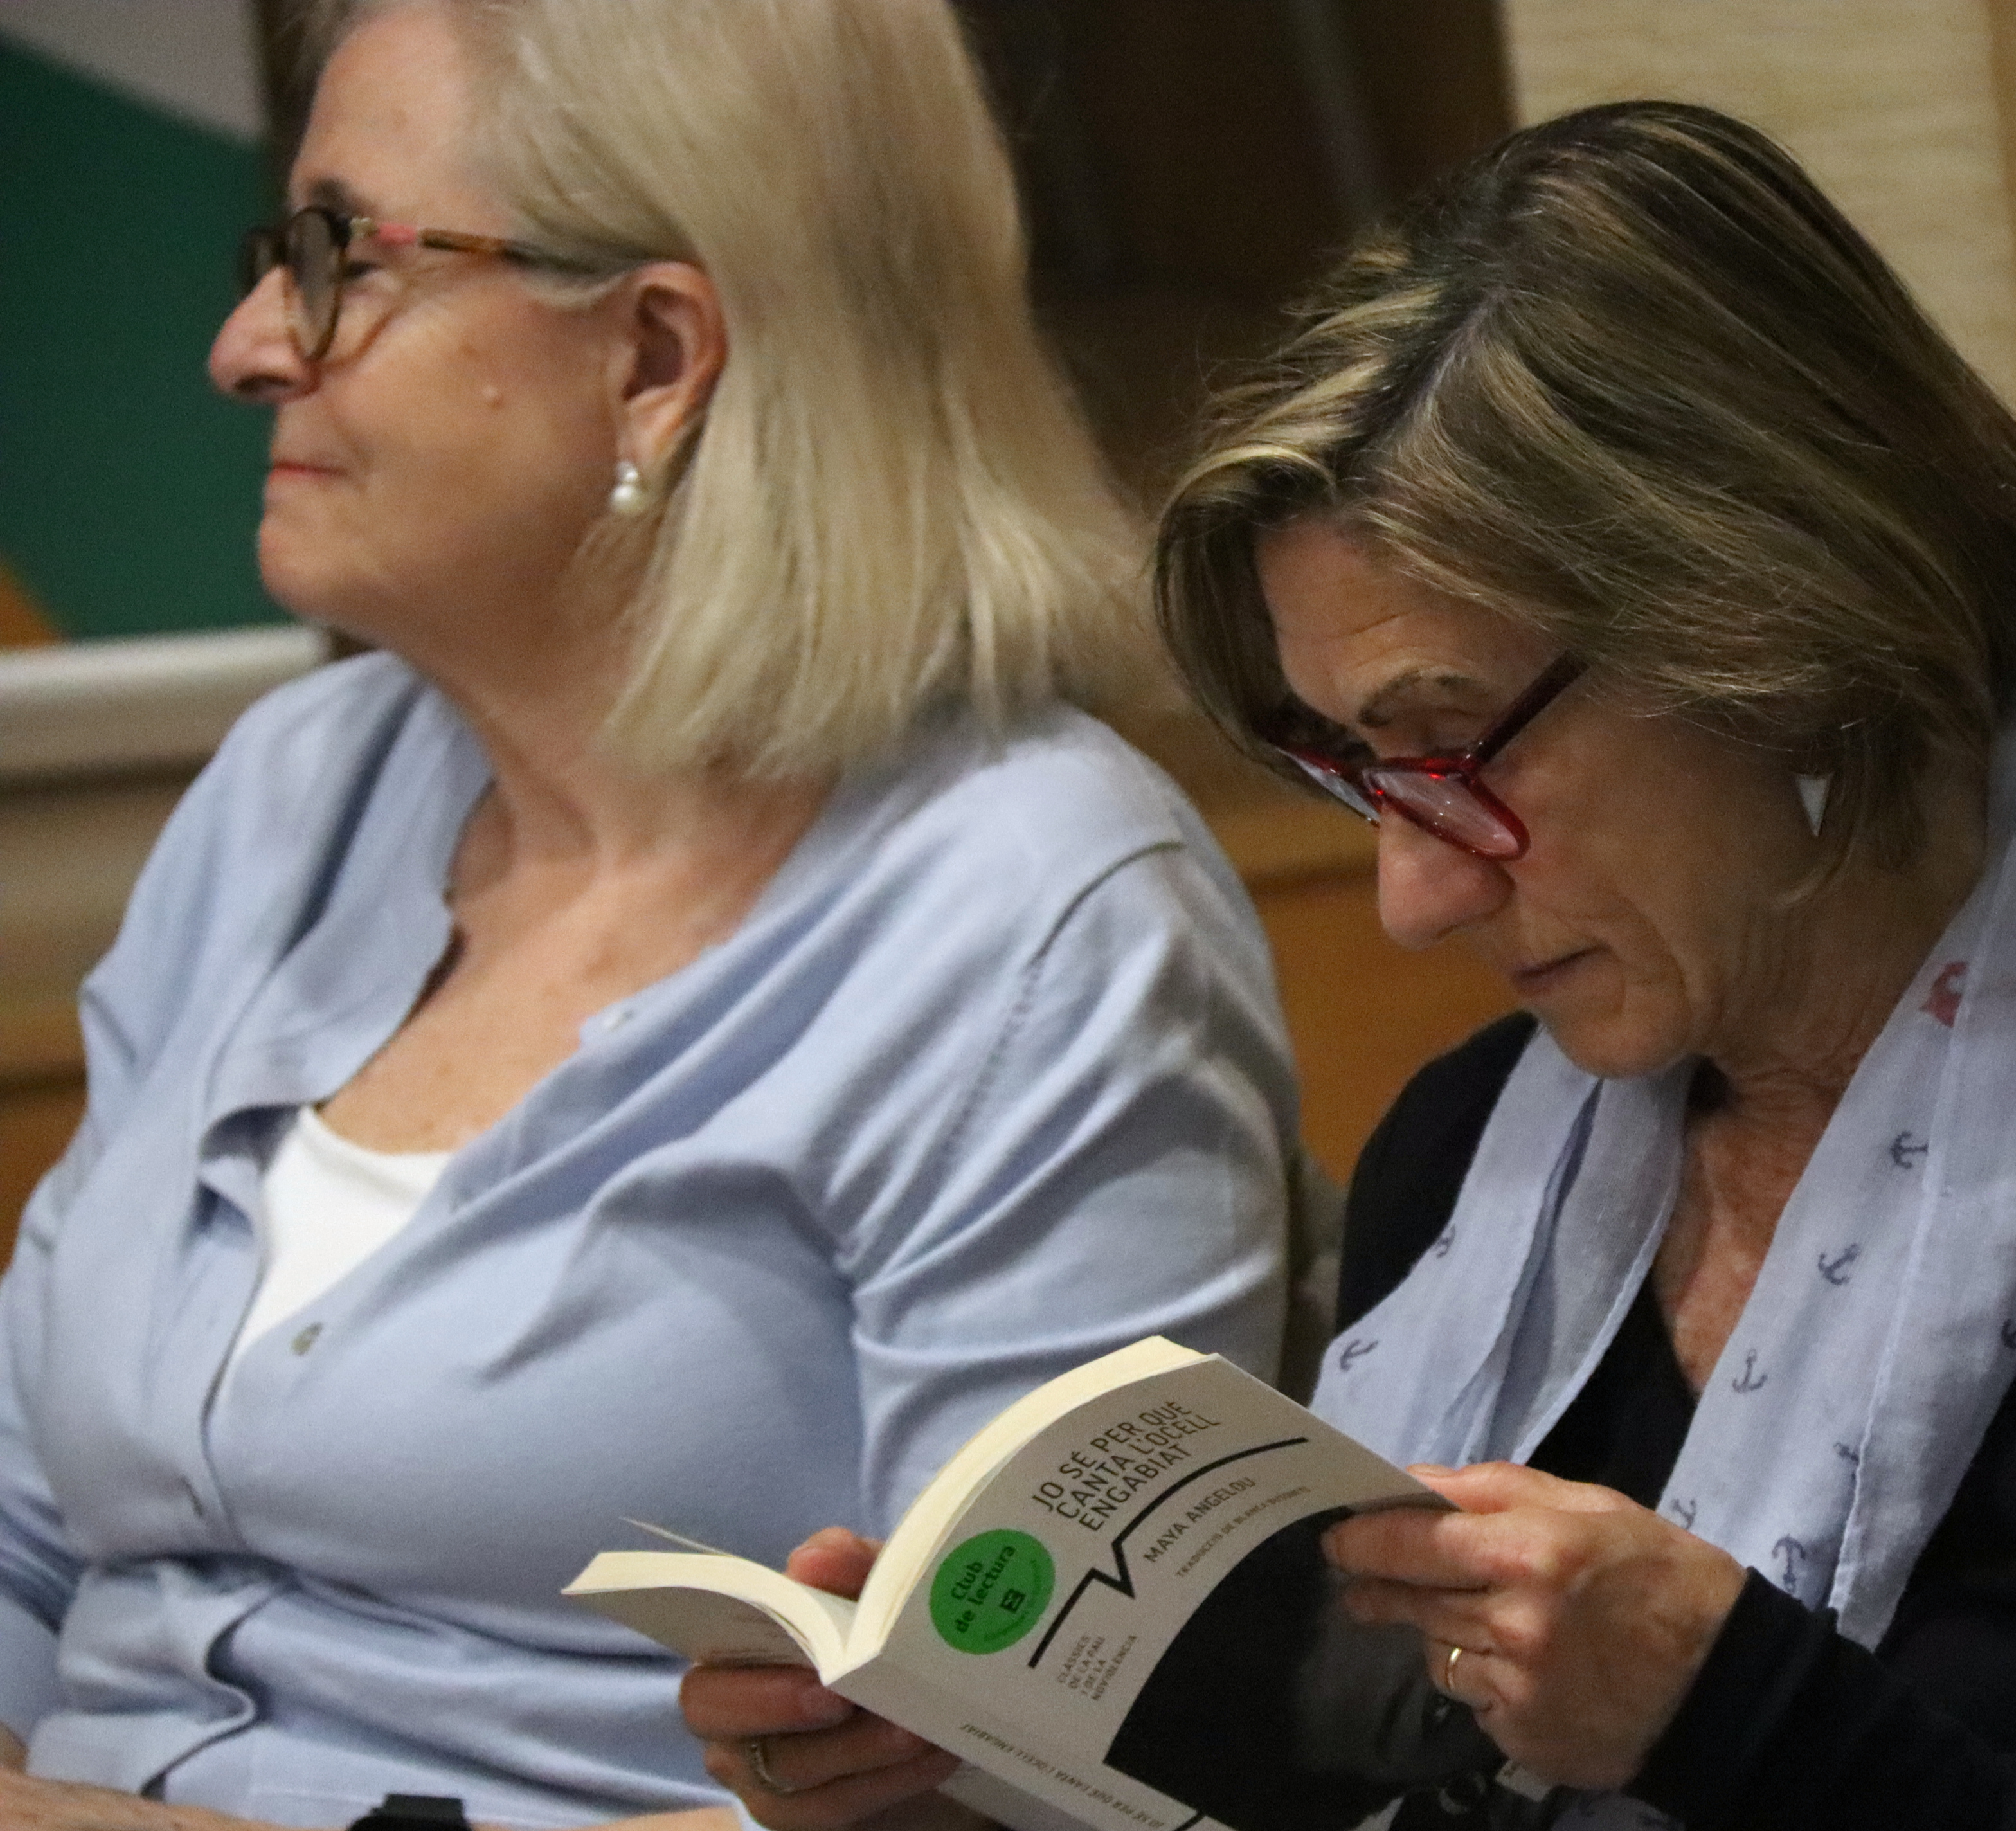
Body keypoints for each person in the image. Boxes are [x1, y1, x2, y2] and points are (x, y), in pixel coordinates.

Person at [701, 102, 2016, 1831]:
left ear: (1780, 628)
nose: (1414, 897)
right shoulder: (1478, 1155)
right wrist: (964, 1793)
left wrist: (1736, 1708)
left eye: (1453, 747)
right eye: (1356, 772)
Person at [0, 1, 1295, 1826]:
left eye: (343, 259)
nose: (246, 347)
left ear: (657, 356)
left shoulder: (1033, 921)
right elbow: (22, 1540)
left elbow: (1032, 1782)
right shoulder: (294, 795)